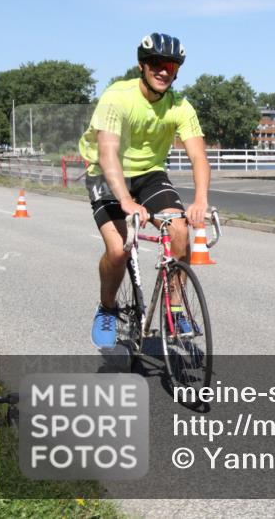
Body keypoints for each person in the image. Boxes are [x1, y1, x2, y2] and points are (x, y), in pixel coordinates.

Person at [79, 33, 211, 349]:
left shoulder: (181, 106)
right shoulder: (117, 97)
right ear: (142, 65)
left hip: (149, 174)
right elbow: (108, 152)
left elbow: (198, 156)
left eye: (171, 65)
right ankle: (108, 308)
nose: (163, 70)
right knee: (119, 248)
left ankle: (175, 309)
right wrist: (124, 199)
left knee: (179, 230)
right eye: (156, 63)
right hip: (106, 173)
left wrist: (200, 201)